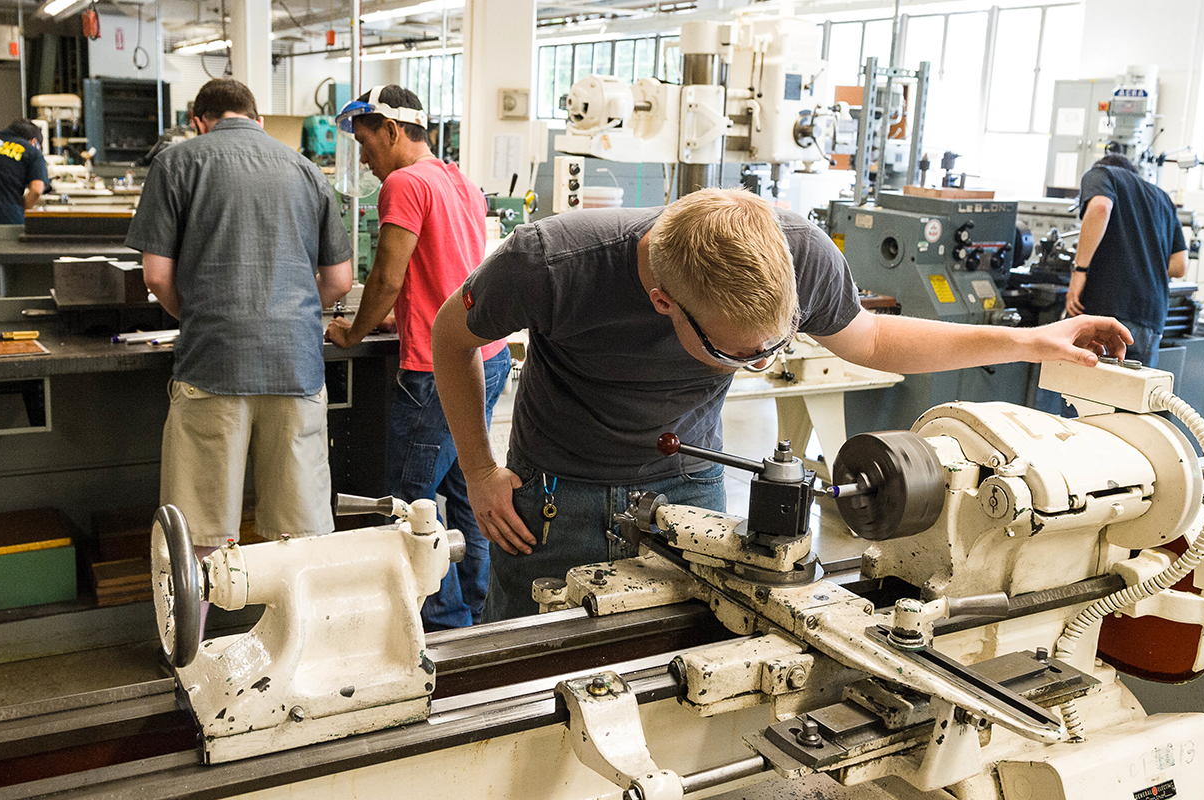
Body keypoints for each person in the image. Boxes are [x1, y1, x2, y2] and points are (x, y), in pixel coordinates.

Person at [432, 188, 1134, 621]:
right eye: (742, 356)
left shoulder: (797, 249)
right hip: (555, 498)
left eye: (775, 347)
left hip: (688, 485)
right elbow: (448, 335)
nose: (759, 366)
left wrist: (1029, 342)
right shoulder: (551, 263)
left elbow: (875, 336)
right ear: (662, 302)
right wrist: (478, 469)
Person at [126, 78, 354, 549]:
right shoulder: (309, 171)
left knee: (199, 534)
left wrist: (202, 315)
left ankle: (197, 625)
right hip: (297, 368)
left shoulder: (176, 163)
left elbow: (154, 275)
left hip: (214, 363)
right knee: (299, 535)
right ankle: (293, 623)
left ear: (198, 123)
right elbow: (339, 281)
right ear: (259, 120)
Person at [327, 85, 511, 631]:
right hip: (488, 354)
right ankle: (478, 605)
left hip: (436, 370)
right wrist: (401, 315)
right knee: (465, 488)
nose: (363, 157)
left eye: (365, 143)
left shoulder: (403, 184)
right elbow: (445, 271)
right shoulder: (460, 181)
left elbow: (386, 276)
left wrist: (354, 331)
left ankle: (442, 620)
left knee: (411, 499)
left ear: (391, 130)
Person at [1066, 152, 1188, 367]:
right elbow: (1179, 266)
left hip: (1107, 308)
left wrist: (1080, 271)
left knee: (1085, 392)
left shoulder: (1101, 174)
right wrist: (1141, 265)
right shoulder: (1163, 198)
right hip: (1150, 315)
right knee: (1132, 394)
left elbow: (1100, 207)